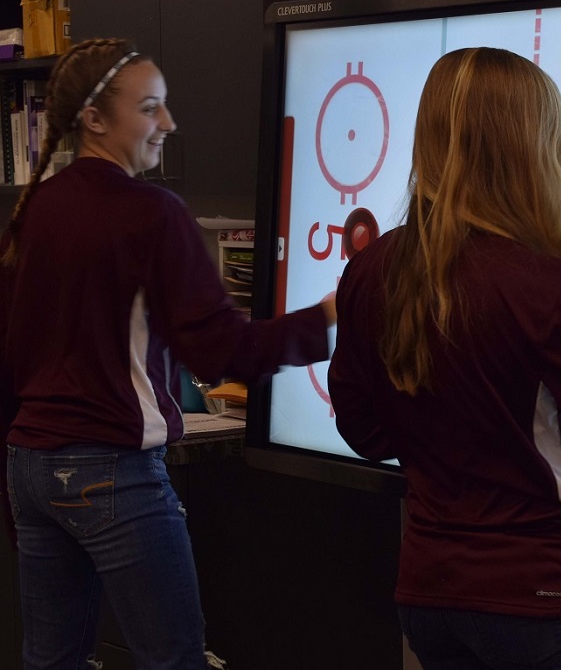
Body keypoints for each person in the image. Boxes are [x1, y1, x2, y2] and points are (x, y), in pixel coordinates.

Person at [328, 46, 561, 669]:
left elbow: (365, 431)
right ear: (535, 149)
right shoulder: (546, 285)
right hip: (545, 606)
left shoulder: (371, 271)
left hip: (432, 598)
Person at [0, 38, 334, 670]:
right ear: (96, 119)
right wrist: (325, 321)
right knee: (174, 658)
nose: (169, 125)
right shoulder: (151, 212)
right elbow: (220, 350)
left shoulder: (35, 209)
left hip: (31, 471)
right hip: (112, 472)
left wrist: (14, 485)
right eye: (150, 108)